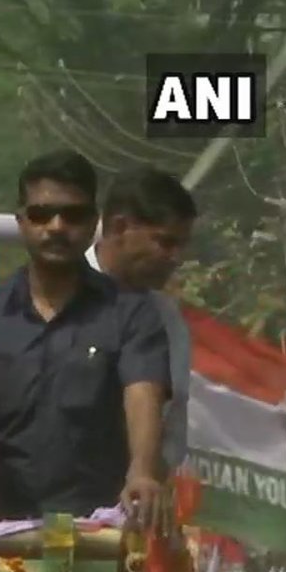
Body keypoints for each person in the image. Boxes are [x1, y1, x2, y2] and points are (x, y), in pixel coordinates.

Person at [0, 150, 170, 527]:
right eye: (41, 214)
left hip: (97, 531)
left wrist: (142, 472)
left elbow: (144, 392)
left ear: (93, 221)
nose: (57, 226)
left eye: (73, 215)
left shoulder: (130, 313)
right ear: (21, 221)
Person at [87, 166, 197, 471]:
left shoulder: (168, 320)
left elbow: (171, 425)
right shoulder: (54, 298)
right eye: (164, 242)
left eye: (181, 246)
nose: (176, 258)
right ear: (120, 227)